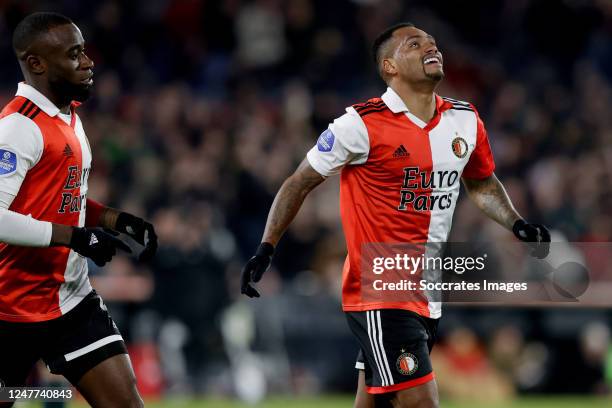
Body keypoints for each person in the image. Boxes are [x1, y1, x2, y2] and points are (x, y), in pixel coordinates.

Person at [241, 22, 551, 408]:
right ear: (389, 66)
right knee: (421, 401)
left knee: (372, 403)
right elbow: (297, 183)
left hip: (427, 289)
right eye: (415, 44)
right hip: (380, 289)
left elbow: (482, 184)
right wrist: (266, 247)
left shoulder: (465, 120)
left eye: (433, 43)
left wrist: (517, 223)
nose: (430, 48)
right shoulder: (359, 124)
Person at [0, 12, 157, 408]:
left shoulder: (68, 116)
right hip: (9, 307)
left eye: (84, 51)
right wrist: (75, 236)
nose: (87, 63)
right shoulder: (18, 127)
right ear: (36, 63)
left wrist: (114, 219)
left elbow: (63, 199)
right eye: (74, 55)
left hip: (71, 299)